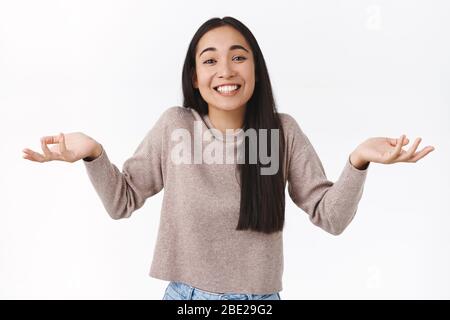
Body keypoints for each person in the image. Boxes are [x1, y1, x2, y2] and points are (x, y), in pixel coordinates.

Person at [22, 17, 435, 300]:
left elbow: (331, 217)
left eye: (238, 56)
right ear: (195, 77)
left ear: (255, 70)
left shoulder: (281, 131)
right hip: (187, 298)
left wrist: (358, 160)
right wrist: (93, 153)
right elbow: (121, 201)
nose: (225, 69)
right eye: (210, 60)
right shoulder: (175, 126)